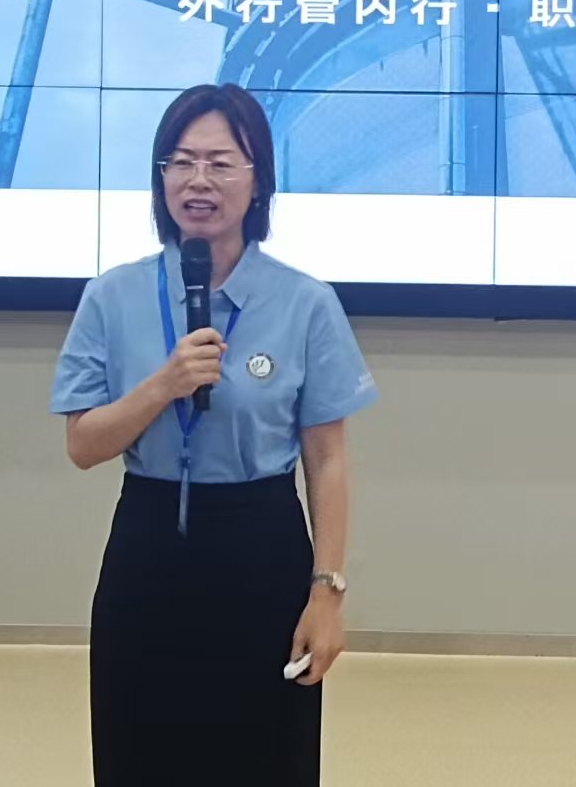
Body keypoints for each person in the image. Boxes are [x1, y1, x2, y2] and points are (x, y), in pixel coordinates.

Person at [50, 83, 377, 785]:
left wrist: (327, 594)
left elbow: (327, 459)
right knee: (141, 756)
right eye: (181, 161)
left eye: (221, 163)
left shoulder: (305, 302)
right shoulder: (112, 296)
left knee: (265, 758)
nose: (198, 180)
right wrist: (161, 385)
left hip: (261, 548)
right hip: (147, 550)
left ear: (258, 181)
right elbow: (83, 445)